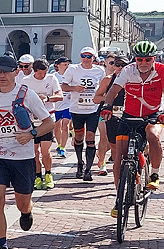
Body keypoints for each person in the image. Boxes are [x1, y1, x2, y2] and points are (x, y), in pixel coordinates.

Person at [0, 55, 54, 249]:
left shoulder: (27, 95)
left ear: (16, 72)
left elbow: (49, 122)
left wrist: (32, 133)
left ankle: (27, 211)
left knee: (22, 201)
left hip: (23, 158)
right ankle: (2, 247)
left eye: (6, 71)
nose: (2, 76)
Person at [100, 40, 164, 192]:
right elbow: (113, 91)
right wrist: (107, 107)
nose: (144, 63)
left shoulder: (163, 70)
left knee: (153, 136)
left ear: (154, 58)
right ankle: (119, 196)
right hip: (129, 115)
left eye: (148, 59)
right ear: (135, 59)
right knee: (118, 158)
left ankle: (154, 174)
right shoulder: (128, 70)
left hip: (153, 114)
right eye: (140, 59)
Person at [61, 47, 106, 181]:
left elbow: (104, 86)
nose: (86, 59)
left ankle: (88, 170)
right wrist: (74, 88)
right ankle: (80, 163)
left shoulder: (99, 70)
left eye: (89, 56)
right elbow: (63, 86)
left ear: (94, 58)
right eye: (83, 56)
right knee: (79, 137)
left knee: (91, 138)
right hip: (77, 109)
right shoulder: (73, 69)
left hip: (93, 109)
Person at [92, 54, 127, 212]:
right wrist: (109, 97)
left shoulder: (133, 79)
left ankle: (139, 169)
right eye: (116, 64)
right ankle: (105, 166)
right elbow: (95, 98)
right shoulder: (108, 79)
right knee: (110, 143)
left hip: (130, 116)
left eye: (122, 65)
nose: (119, 67)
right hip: (109, 114)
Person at [24, 59, 63, 190]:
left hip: (47, 118)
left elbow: (60, 95)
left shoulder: (52, 79)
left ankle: (48, 174)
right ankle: (38, 176)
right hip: (32, 120)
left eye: (45, 73)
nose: (43, 76)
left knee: (45, 151)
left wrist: (47, 98)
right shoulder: (26, 81)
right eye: (40, 73)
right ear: (34, 71)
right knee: (35, 152)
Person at [52, 57, 73, 158]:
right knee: (57, 127)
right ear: (58, 65)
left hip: (67, 105)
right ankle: (59, 144)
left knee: (65, 125)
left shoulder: (72, 76)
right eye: (64, 65)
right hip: (56, 105)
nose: (67, 67)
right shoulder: (53, 77)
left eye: (68, 65)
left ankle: (63, 148)